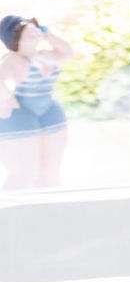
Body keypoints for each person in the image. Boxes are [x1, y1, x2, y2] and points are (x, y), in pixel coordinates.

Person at [0, 14, 75, 190]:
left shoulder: (45, 55)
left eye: (33, 28)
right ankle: (12, 209)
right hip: (22, 113)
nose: (33, 30)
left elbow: (67, 53)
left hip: (49, 110)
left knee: (50, 170)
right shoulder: (13, 60)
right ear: (16, 39)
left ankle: (50, 205)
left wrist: (49, 35)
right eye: (26, 31)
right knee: (23, 171)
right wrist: (5, 98)